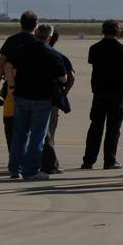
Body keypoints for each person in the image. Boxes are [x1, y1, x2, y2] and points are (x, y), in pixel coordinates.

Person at [6, 23, 67, 181]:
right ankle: (31, 170)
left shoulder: (22, 50)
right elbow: (63, 78)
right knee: (37, 136)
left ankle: (15, 168)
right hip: (41, 99)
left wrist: (12, 86)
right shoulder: (52, 54)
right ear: (49, 37)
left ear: (36, 34)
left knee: (20, 134)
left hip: (22, 96)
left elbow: (8, 66)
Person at [0, 11, 39, 167]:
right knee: (35, 128)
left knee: (11, 124)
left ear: (21, 24)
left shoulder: (11, 41)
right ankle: (29, 162)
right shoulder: (39, 42)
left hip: (12, 88)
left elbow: (1, 66)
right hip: (34, 89)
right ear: (36, 25)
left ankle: (14, 160)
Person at [82, 19, 123, 170]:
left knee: (95, 126)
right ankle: (109, 160)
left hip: (99, 91)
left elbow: (92, 62)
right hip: (117, 92)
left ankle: (89, 160)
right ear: (117, 31)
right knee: (113, 128)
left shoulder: (94, 48)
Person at [41, 29, 76, 175]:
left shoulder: (31, 53)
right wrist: (63, 94)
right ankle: (49, 162)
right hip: (51, 99)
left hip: (31, 96)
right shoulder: (58, 56)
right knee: (49, 132)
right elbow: (70, 77)